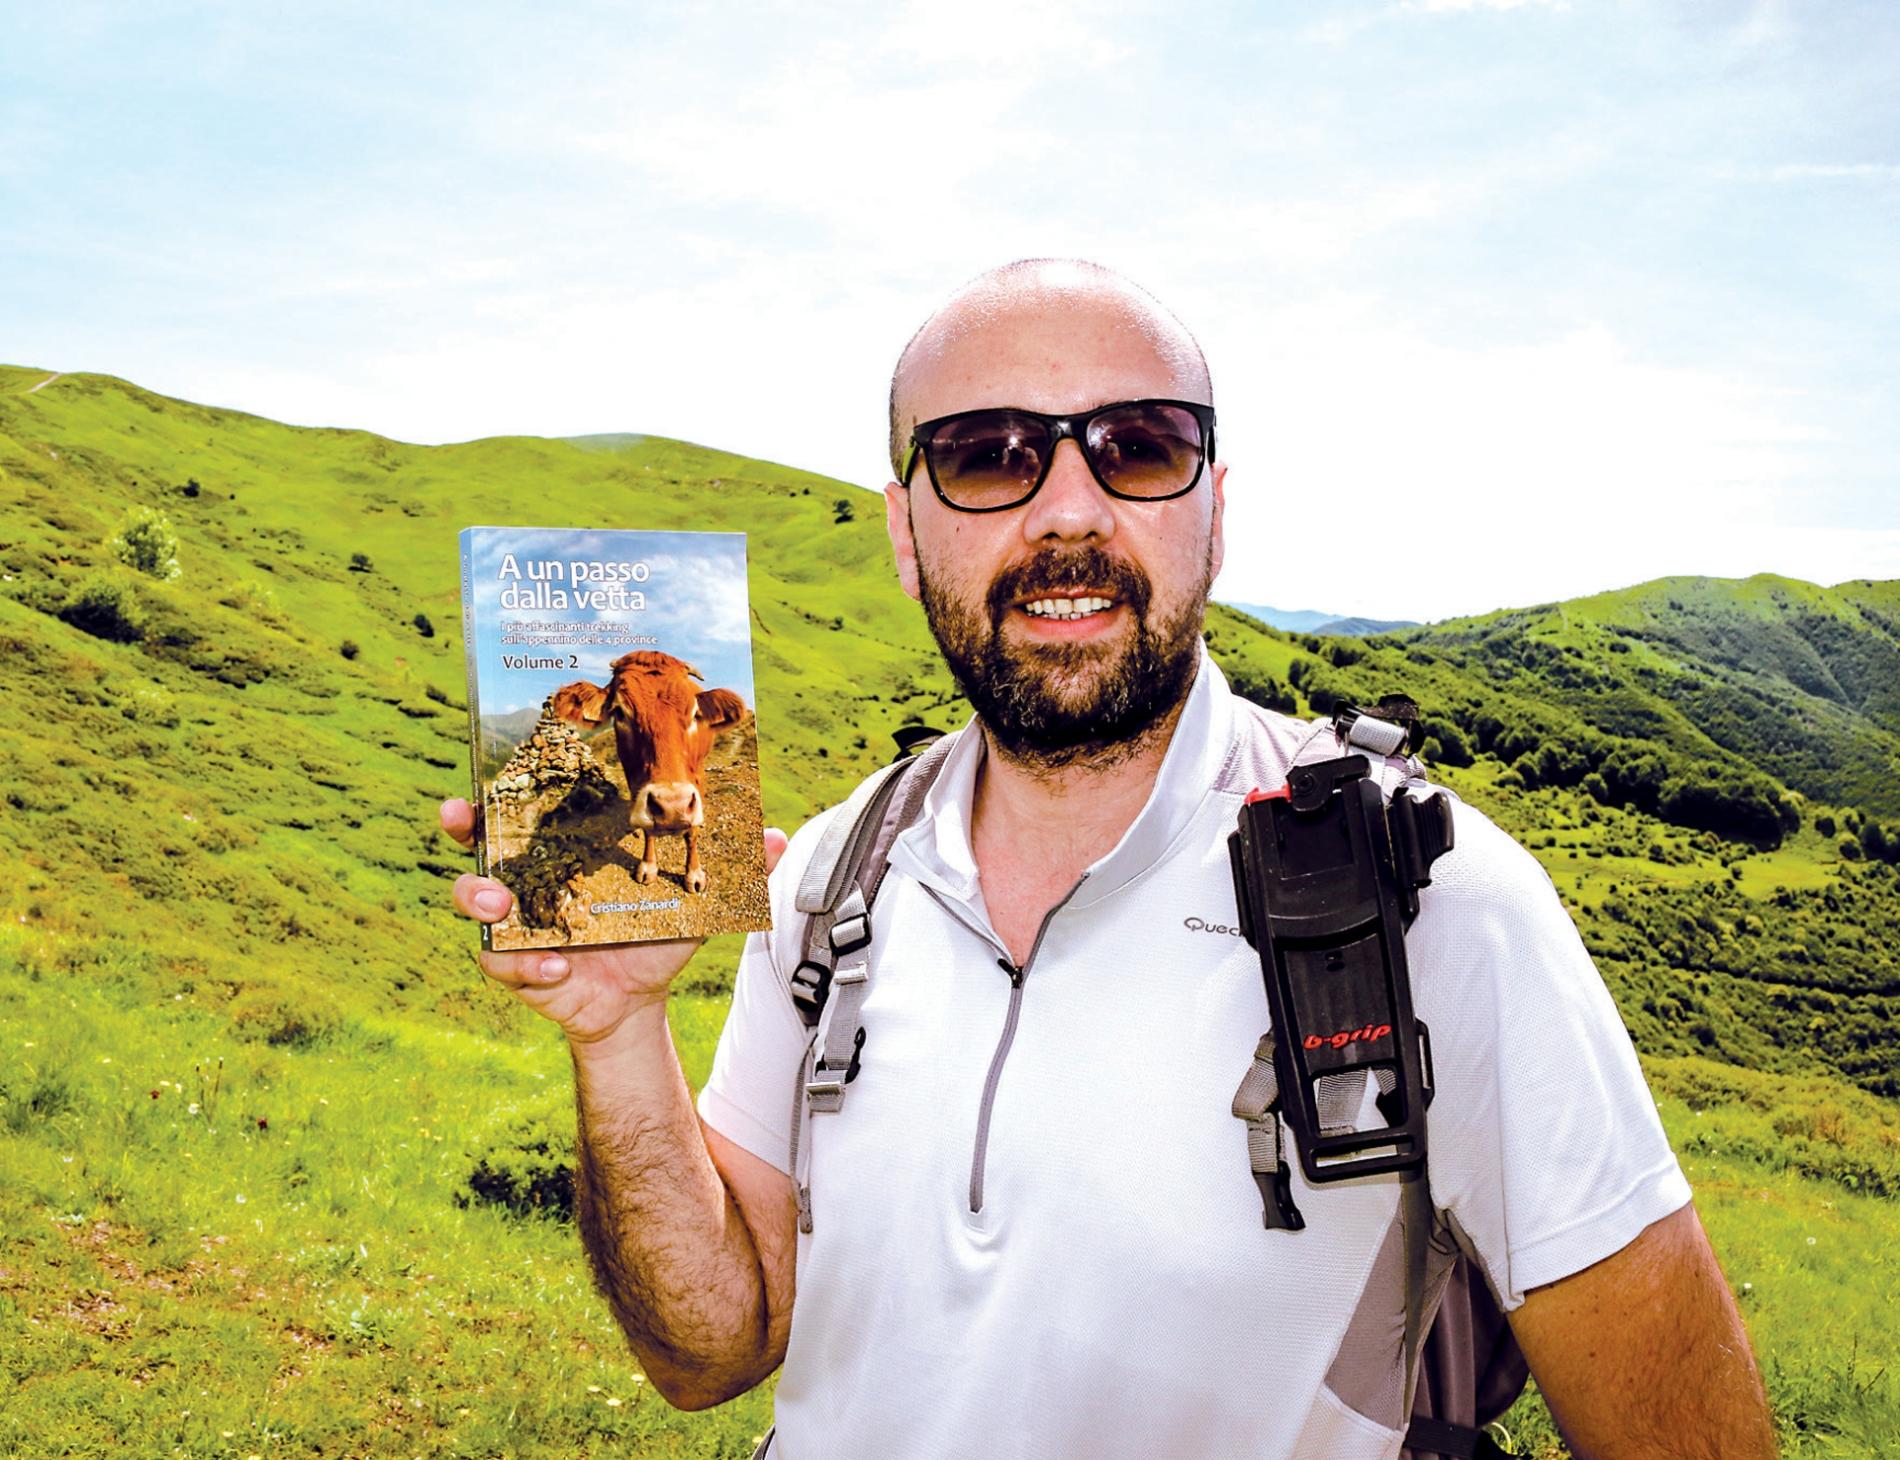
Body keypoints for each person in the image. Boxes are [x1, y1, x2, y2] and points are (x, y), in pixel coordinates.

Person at [440, 259, 1780, 1459]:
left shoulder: (1437, 900)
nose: (1067, 511)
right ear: (908, 532)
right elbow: (711, 1353)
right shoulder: (826, 877)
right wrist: (618, 1032)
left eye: (1140, 447)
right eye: (985, 454)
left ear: (1212, 508)